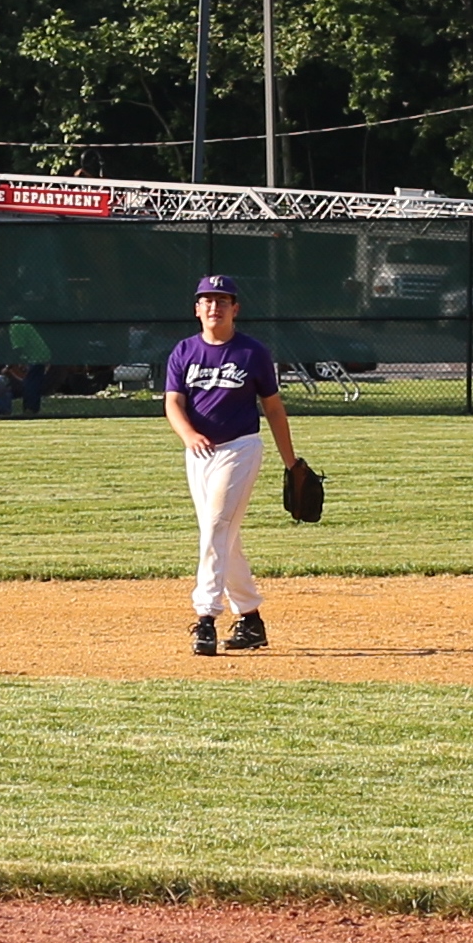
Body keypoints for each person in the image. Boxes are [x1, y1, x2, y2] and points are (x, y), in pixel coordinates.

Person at [163, 272, 298, 657]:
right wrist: (188, 436)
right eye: (207, 300)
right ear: (196, 309)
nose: (214, 306)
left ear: (235, 309)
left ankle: (205, 618)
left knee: (217, 527)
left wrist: (291, 462)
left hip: (240, 448)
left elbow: (273, 408)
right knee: (224, 534)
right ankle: (251, 618)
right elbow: (173, 403)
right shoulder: (184, 351)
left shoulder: (252, 353)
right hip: (198, 454)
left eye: (222, 300)